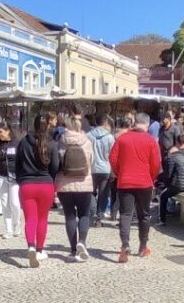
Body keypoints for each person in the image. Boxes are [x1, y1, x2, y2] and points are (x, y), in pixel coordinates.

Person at [109, 112, 162, 263]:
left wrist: (120, 172)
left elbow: (112, 159)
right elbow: (156, 164)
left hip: (125, 181)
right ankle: (142, 246)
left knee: (125, 214)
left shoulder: (122, 139)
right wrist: (150, 177)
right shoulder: (151, 141)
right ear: (147, 124)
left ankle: (125, 245)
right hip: (145, 182)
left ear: (134, 123)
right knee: (144, 215)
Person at [15, 113, 61, 268]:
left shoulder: (23, 142)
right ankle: (40, 250)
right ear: (47, 125)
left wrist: (21, 180)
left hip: (27, 184)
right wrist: (50, 179)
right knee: (42, 219)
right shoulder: (52, 144)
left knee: (30, 219)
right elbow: (55, 166)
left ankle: (31, 247)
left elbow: (17, 165)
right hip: (46, 184)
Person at [55, 111, 94, 261]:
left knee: (70, 216)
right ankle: (82, 242)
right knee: (84, 214)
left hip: (64, 185)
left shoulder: (61, 141)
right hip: (84, 183)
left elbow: (57, 163)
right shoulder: (87, 141)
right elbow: (91, 162)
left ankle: (73, 249)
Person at [0, 121, 22, 239]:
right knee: (4, 203)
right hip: (0, 175)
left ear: (8, 131)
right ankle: (9, 229)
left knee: (14, 203)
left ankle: (17, 224)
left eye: (1, 131)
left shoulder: (16, 144)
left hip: (14, 176)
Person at [160, 133, 184, 224]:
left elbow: (169, 174)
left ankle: (162, 219)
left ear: (176, 142)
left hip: (179, 185)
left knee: (163, 195)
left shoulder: (173, 156)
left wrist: (166, 183)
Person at [88, 114, 116, 225]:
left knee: (90, 191)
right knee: (104, 194)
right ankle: (99, 216)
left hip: (91, 168)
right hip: (106, 169)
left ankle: (93, 212)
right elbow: (113, 155)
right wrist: (113, 171)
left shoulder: (88, 136)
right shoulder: (110, 137)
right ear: (105, 123)